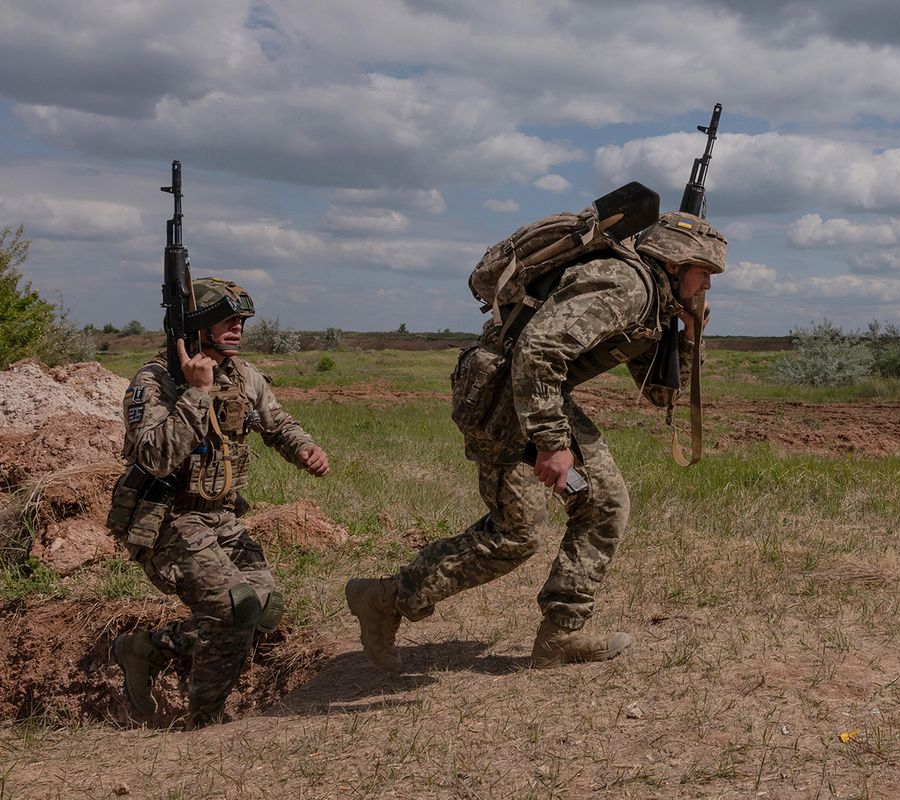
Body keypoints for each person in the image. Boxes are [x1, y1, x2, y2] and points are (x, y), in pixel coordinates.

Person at [346, 211, 726, 669]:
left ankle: (560, 636)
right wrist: (551, 442)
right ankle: (384, 598)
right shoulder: (626, 285)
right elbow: (539, 348)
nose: (707, 285)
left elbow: (661, 392)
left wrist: (690, 333)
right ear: (675, 262)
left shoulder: (653, 300)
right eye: (705, 272)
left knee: (603, 504)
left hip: (535, 394)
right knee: (516, 534)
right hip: (505, 398)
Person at [108, 277, 329, 728]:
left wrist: (304, 448)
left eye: (242, 321)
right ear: (200, 325)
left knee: (263, 608)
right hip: (167, 520)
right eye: (228, 320)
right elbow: (154, 456)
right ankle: (207, 722)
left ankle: (145, 647)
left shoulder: (243, 375)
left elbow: (277, 422)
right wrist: (196, 392)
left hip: (221, 516)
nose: (238, 328)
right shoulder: (154, 380)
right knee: (233, 609)